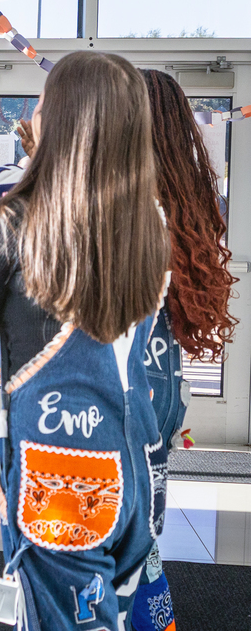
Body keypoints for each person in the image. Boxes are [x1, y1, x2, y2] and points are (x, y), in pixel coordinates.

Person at [0, 51, 170, 629]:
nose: (35, 117)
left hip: (58, 474)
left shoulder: (11, 225)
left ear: (67, 121)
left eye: (44, 106)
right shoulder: (150, 224)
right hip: (133, 470)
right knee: (117, 615)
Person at [127, 70, 238, 631]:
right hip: (159, 381)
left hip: (129, 385)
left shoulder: (132, 201)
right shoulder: (174, 188)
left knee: (126, 538)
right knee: (145, 531)